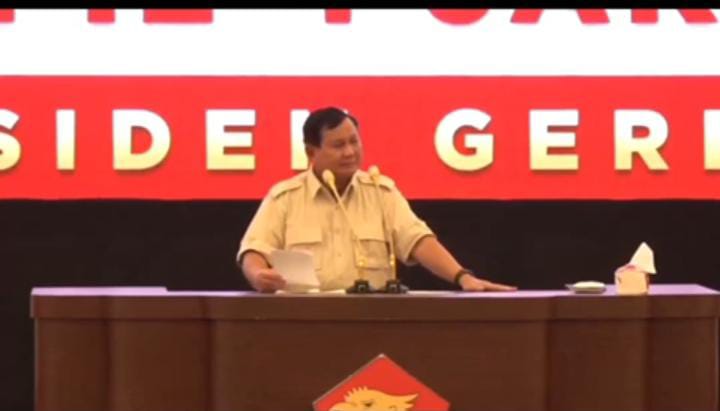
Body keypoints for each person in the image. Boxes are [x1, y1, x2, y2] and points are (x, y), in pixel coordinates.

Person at [237, 107, 516, 293]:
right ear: (311, 152)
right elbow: (254, 249)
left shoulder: (381, 193)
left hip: (372, 320)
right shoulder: (285, 197)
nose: (350, 152)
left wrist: (462, 277)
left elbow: (418, 241)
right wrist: (258, 274)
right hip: (305, 323)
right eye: (338, 145)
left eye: (354, 141)